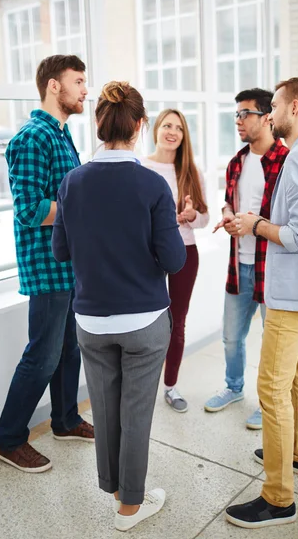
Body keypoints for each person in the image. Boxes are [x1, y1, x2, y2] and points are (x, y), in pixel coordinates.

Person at [52, 81, 186, 532]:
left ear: (98, 124)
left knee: (105, 410)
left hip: (90, 320)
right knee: (135, 414)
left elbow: (61, 251)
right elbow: (173, 259)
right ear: (141, 125)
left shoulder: (72, 183)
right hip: (145, 321)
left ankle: (113, 487)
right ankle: (130, 506)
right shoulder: (152, 185)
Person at [226, 78, 298, 528]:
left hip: (294, 291)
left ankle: (278, 499)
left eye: (272, 106)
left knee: (272, 388)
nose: (269, 114)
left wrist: (257, 225)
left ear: (295, 106)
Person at [0, 55, 94, 473]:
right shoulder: (32, 138)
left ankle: (65, 419)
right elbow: (30, 210)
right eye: (78, 81)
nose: (85, 90)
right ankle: (10, 439)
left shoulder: (60, 134)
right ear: (54, 86)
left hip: (69, 264)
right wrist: (84, 207)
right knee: (43, 355)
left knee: (70, 349)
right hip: (46, 266)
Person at [204, 89, 288, 429]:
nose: (238, 121)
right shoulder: (237, 161)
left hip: (273, 267)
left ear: (268, 116)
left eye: (245, 114)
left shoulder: (286, 160)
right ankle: (234, 388)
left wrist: (255, 223)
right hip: (239, 265)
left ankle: (268, 404)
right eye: (236, 115)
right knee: (231, 336)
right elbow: (228, 201)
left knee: (274, 341)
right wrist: (228, 214)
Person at [143, 109, 209, 413]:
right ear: (156, 129)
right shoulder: (140, 167)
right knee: (148, 321)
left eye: (179, 128)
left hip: (185, 251)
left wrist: (193, 216)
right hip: (147, 253)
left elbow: (205, 218)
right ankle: (145, 382)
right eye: (167, 125)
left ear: (184, 136)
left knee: (177, 321)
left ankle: (170, 386)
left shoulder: (191, 171)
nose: (172, 132)